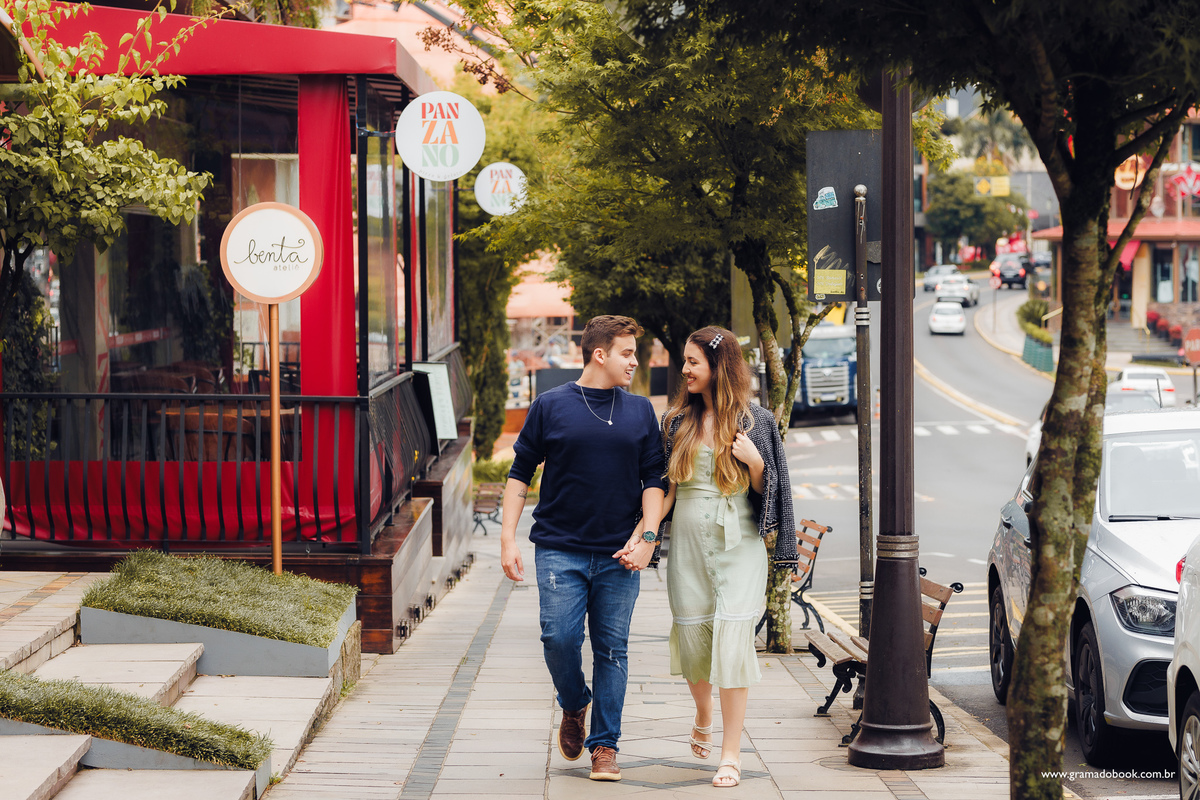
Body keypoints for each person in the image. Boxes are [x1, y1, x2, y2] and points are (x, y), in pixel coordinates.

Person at [500, 315, 666, 782]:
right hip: (559, 548)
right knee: (560, 638)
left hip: (619, 555)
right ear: (600, 354)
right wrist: (508, 536)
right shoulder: (551, 405)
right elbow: (521, 472)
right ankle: (574, 703)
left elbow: (655, 478)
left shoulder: (639, 412)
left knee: (612, 649)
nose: (636, 361)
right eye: (627, 353)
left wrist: (649, 539)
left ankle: (605, 746)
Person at [631, 325, 796, 788]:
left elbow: (773, 494)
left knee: (732, 640)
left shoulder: (755, 422)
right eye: (683, 361)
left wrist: (757, 464)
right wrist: (646, 536)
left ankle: (731, 753)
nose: (683, 370)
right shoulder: (676, 422)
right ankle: (703, 709)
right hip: (687, 542)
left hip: (739, 544)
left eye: (691, 362)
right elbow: (666, 491)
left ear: (718, 368)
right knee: (695, 638)